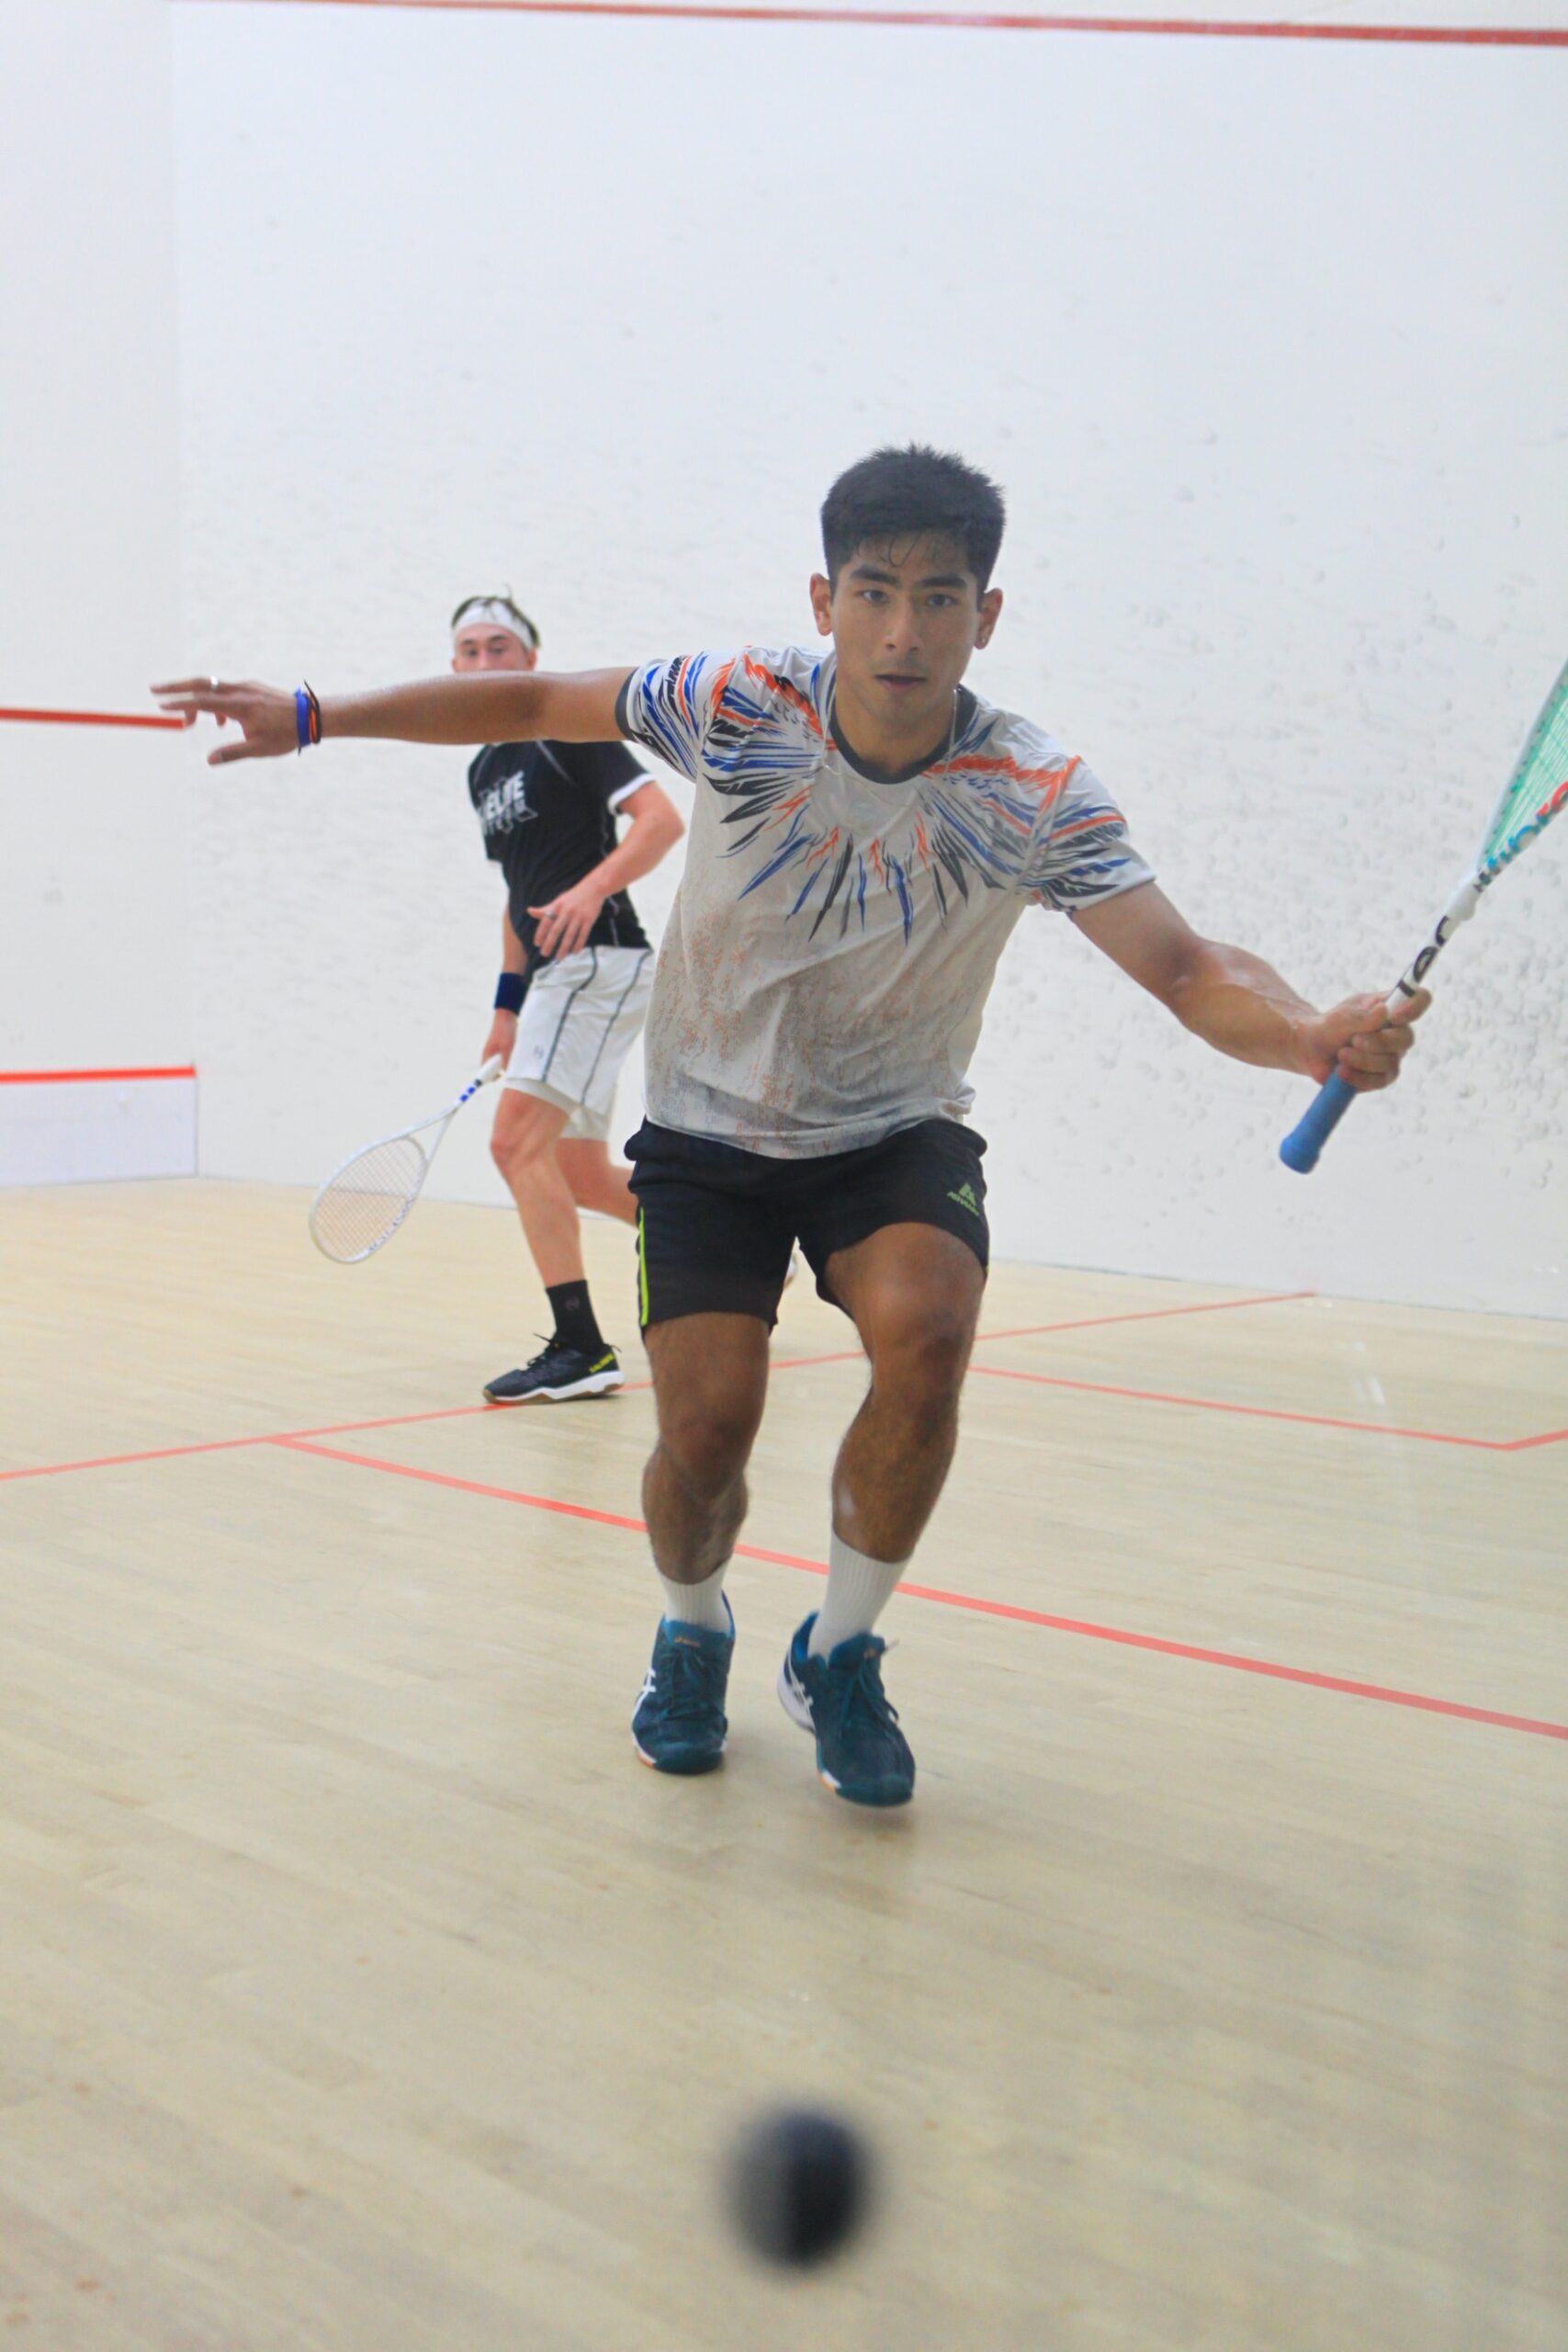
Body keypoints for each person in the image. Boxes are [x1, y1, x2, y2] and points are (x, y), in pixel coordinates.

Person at [156, 445, 1427, 1809]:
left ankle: (840, 1650)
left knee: (928, 1335)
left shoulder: (1031, 788)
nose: (902, 631)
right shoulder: (737, 701)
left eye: (939, 598)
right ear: (823, 601)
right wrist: (314, 712)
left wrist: (1305, 1032)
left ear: (986, 616)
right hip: (706, 1137)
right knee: (706, 1433)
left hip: (893, 1132)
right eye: (873, 592)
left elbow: (1184, 966)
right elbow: (528, 697)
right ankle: (691, 1630)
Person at [452, 593, 683, 1403]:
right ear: (452, 668)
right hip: (555, 979)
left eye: (499, 647)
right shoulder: (482, 769)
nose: (484, 662)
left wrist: (590, 890)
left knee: (514, 1144)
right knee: (577, 1171)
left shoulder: (568, 732)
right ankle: (738, 1254)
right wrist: (504, 1008)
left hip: (597, 963)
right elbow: (515, 896)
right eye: (470, 651)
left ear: (530, 660)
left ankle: (581, 1347)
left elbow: (659, 821)